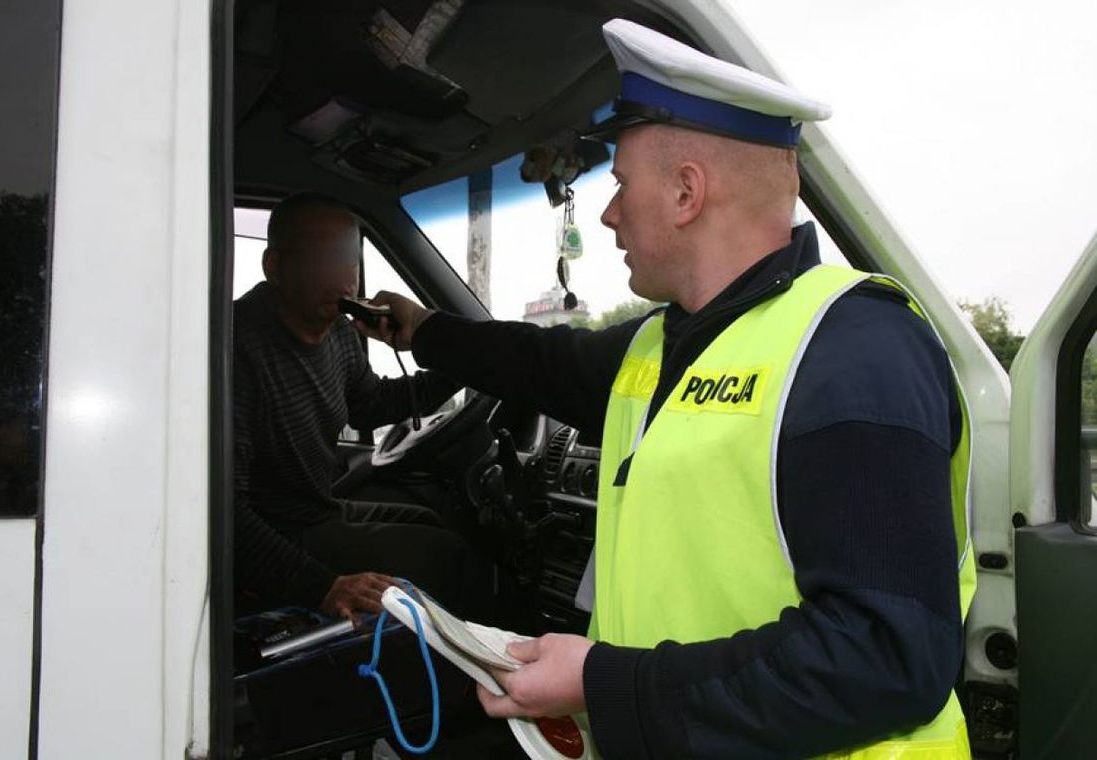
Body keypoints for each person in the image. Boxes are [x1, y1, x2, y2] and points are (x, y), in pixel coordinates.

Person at [355, 19, 977, 760]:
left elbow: (887, 659)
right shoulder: (665, 341)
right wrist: (423, 330)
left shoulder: (856, 352)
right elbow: (540, 364)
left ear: (687, 192)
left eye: (618, 185)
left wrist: (603, 683)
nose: (611, 213)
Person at [233, 192, 467, 624]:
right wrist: (322, 586)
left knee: (433, 519)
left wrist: (464, 364)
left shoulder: (339, 332)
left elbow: (370, 404)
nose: (343, 277)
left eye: (348, 259)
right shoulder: (236, 347)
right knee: (448, 557)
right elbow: (224, 510)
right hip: (281, 529)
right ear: (274, 266)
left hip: (319, 508)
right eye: (322, 258)